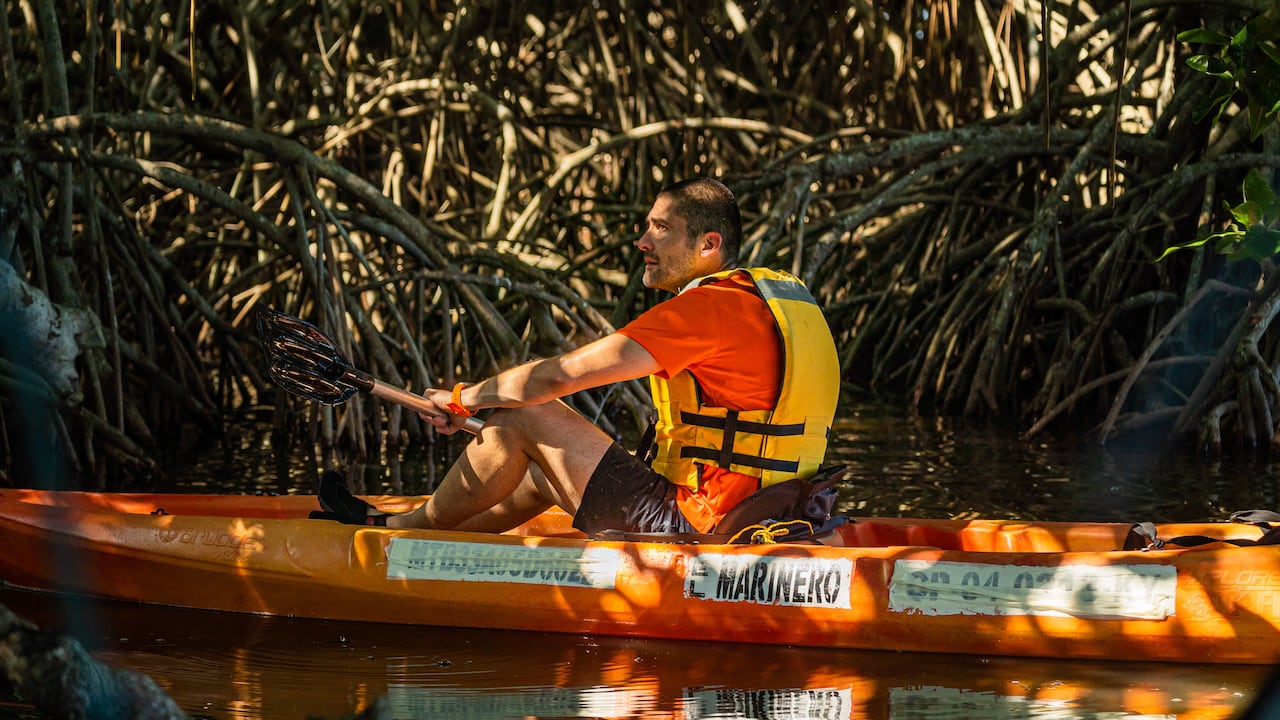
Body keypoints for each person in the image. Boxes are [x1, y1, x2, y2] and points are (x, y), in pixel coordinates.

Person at [318, 177, 840, 536]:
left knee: (527, 413)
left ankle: (394, 531)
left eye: (661, 228)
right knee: (544, 470)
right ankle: (426, 531)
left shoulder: (706, 311)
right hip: (778, 512)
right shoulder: (771, 299)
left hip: (701, 528)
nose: (642, 241)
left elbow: (556, 377)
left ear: (709, 244)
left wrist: (462, 399)